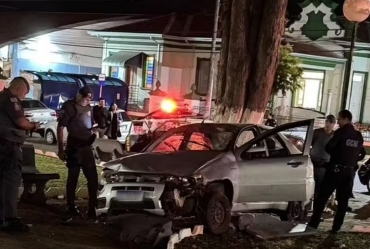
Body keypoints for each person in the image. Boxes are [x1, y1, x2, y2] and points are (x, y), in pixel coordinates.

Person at [308, 110, 364, 234]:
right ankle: (336, 228)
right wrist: (352, 160)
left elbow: (329, 147)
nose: (337, 122)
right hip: (349, 173)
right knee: (343, 202)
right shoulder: (358, 135)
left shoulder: (340, 132)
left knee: (322, 198)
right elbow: (363, 153)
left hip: (335, 170)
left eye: (339, 119)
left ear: (345, 119)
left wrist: (337, 156)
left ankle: (313, 224)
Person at [0, 77, 40, 232]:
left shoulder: (1, 98)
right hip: (9, 147)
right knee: (11, 182)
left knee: (3, 182)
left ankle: (3, 217)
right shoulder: (11, 100)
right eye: (23, 93)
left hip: (3, 145)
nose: (23, 97)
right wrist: (33, 126)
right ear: (17, 89)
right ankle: (9, 219)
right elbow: (21, 122)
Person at [57, 86, 98, 219]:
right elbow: (61, 127)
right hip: (74, 146)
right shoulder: (69, 107)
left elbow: (89, 124)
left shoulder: (89, 108)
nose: (88, 101)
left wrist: (93, 133)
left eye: (89, 99)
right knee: (73, 177)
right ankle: (70, 206)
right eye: (86, 99)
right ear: (79, 96)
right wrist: (61, 149)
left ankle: (92, 208)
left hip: (87, 147)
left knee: (93, 179)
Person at [310, 115, 336, 200]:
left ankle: (318, 201)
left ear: (334, 124)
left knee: (321, 186)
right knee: (311, 184)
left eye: (330, 122)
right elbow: (310, 143)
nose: (328, 124)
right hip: (314, 161)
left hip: (325, 163)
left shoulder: (335, 135)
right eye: (327, 121)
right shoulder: (317, 132)